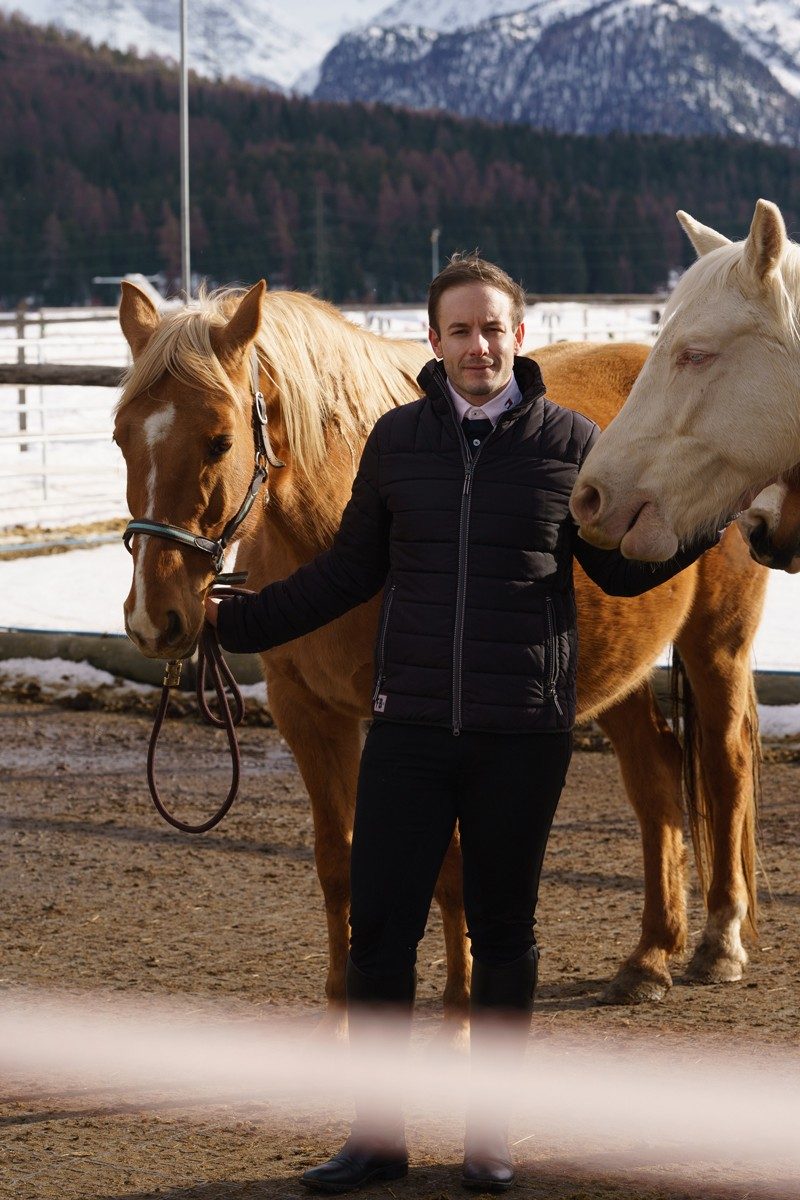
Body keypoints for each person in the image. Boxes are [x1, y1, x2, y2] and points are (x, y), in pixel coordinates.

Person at [206, 254, 720, 1194]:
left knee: (506, 931)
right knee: (382, 931)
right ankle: (377, 1134)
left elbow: (618, 577)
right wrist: (229, 622)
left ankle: (490, 1137)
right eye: (458, 330)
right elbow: (345, 574)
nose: (477, 346)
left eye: (492, 329)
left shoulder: (570, 442)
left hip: (520, 732)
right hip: (408, 726)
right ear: (433, 341)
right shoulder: (396, 444)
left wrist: (704, 525)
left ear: (516, 338)